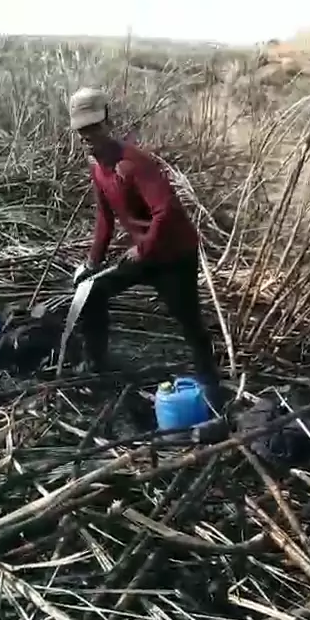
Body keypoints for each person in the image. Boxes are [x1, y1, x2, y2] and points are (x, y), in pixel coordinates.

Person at [69, 86, 225, 412]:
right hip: (144, 251)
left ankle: (211, 386)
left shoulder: (134, 162)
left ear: (108, 121)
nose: (88, 136)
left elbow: (165, 210)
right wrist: (92, 262)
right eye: (82, 130)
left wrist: (143, 250)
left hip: (173, 254)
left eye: (94, 127)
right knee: (91, 290)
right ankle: (96, 362)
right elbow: (104, 218)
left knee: (188, 320)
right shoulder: (97, 166)